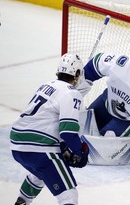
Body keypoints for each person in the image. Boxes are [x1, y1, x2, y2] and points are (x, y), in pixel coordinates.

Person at [10, 54, 89, 205]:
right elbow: (68, 132)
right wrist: (80, 153)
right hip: (39, 148)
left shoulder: (46, 85)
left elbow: (43, 121)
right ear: (77, 74)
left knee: (40, 174)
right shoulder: (72, 93)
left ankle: (22, 202)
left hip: (17, 144)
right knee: (69, 195)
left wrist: (64, 147)